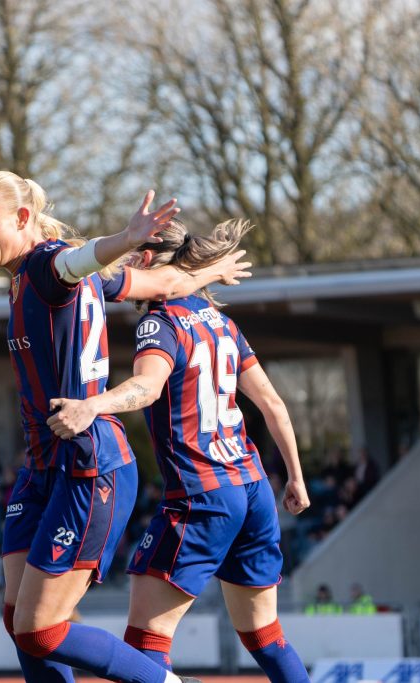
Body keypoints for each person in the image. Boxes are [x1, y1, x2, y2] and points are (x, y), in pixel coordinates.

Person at [0, 171, 250, 683]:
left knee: (39, 631)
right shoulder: (41, 276)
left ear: (22, 217)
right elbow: (165, 283)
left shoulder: (47, 265)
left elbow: (78, 259)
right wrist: (210, 271)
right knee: (18, 620)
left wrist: (124, 239)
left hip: (88, 465)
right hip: (43, 467)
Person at [47, 218, 310, 682]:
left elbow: (148, 387)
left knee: (144, 644)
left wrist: (93, 405)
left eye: (131, 256)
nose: (123, 264)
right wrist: (295, 476)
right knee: (265, 636)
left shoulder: (160, 322)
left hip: (202, 494)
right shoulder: (222, 322)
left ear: (147, 259)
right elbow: (272, 403)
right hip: (253, 488)